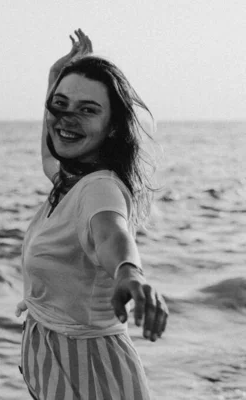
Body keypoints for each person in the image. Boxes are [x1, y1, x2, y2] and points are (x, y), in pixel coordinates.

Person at [15, 29, 169, 400]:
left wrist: (129, 271)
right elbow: (52, 153)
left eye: (87, 110)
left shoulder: (99, 188)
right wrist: (54, 81)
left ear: (113, 125)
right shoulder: (69, 179)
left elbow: (110, 233)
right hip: (59, 361)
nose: (67, 119)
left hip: (92, 373)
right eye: (60, 105)